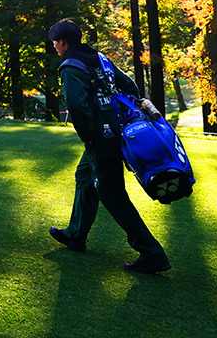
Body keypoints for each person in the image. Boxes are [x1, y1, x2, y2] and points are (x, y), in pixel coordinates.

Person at [48, 18, 171, 274]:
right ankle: (75, 234)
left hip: (99, 139)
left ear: (63, 42)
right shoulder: (100, 58)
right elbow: (130, 86)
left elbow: (78, 108)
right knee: (84, 177)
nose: (54, 47)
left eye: (55, 43)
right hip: (116, 132)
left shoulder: (71, 66)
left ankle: (152, 253)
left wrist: (90, 136)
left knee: (112, 193)